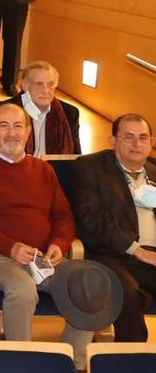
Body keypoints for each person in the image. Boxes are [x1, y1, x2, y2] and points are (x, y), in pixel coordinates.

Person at [0, 104, 109, 368]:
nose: (12, 133)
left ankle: (71, 361)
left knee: (87, 286)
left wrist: (58, 244)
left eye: (18, 126)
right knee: (22, 289)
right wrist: (10, 248)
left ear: (28, 131)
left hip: (43, 257)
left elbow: (63, 216)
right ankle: (22, 363)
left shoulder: (43, 170)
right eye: (4, 126)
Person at [67, 114, 156, 344]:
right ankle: (131, 358)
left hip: (152, 255)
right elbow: (93, 218)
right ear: (112, 140)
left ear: (151, 142)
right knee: (126, 292)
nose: (137, 144)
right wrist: (136, 249)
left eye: (143, 137)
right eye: (128, 137)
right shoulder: (89, 168)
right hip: (110, 254)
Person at [7, 61, 81, 156]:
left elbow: (75, 157)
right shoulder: (4, 112)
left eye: (50, 84)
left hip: (55, 170)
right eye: (39, 84)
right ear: (25, 86)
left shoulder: (69, 113)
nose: (45, 91)